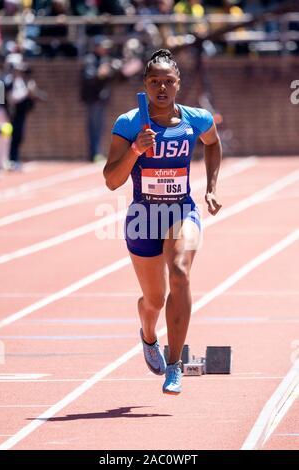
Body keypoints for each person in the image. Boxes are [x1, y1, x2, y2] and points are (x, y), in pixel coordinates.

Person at [103, 49, 222, 395]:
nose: (161, 88)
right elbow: (111, 180)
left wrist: (211, 187)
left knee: (181, 274)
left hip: (180, 211)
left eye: (168, 81)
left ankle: (174, 365)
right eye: (154, 81)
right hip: (143, 217)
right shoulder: (128, 124)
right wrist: (136, 151)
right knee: (153, 300)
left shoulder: (195, 118)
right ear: (145, 84)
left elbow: (212, 144)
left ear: (178, 85)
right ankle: (148, 334)